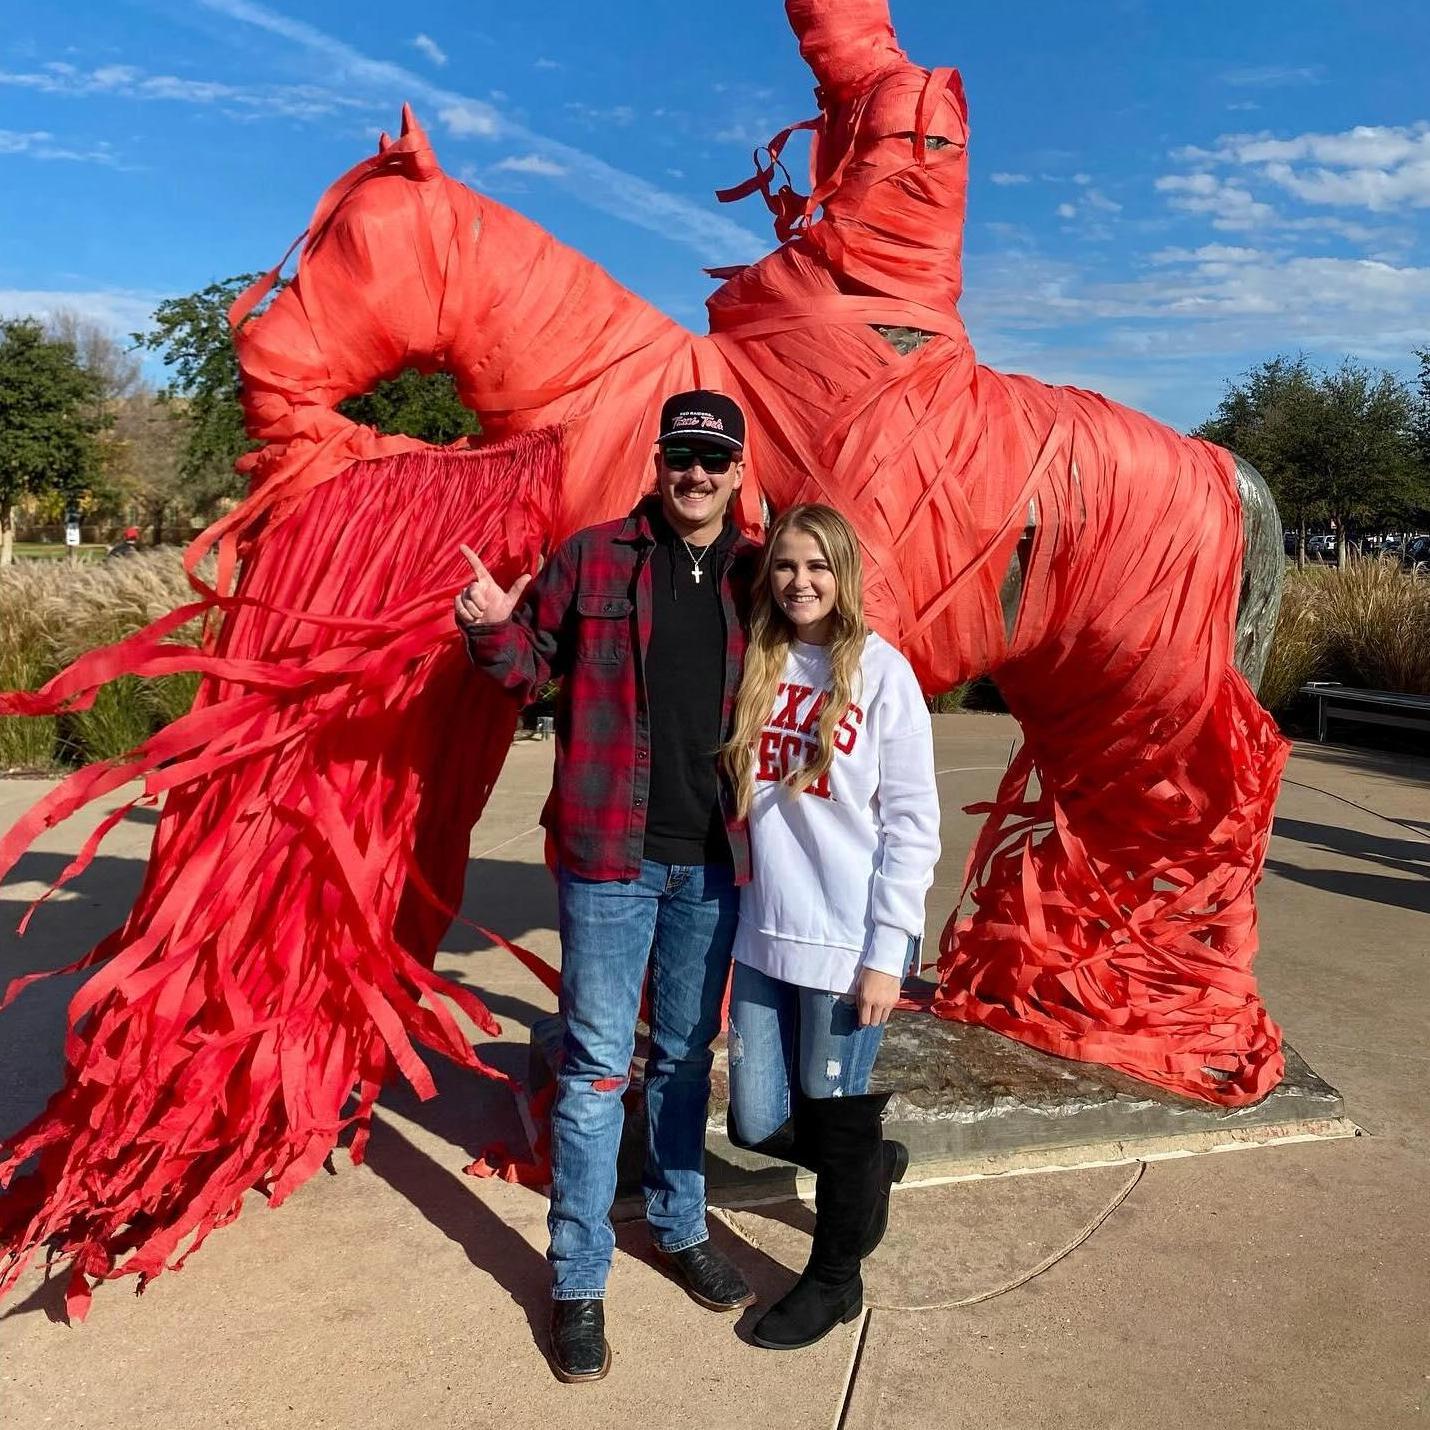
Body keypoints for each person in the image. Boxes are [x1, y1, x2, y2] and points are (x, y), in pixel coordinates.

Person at [455, 390, 761, 1383]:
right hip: (608, 855)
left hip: (713, 856)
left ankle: (677, 1225)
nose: (696, 473)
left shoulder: (763, 571)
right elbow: (526, 670)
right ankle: (578, 1278)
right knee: (592, 1069)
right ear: (660, 458)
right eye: (682, 454)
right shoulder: (593, 557)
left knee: (681, 1056)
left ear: (736, 468)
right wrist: (496, 627)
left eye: (713, 458)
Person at [720, 502, 940, 1350]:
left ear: (843, 574)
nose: (800, 582)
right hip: (766, 932)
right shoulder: (763, 662)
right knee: (754, 1120)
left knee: (835, 1116)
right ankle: (868, 1169)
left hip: (850, 946)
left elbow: (912, 825)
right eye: (784, 567)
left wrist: (889, 955)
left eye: (816, 567)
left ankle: (834, 1279)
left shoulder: (884, 674)